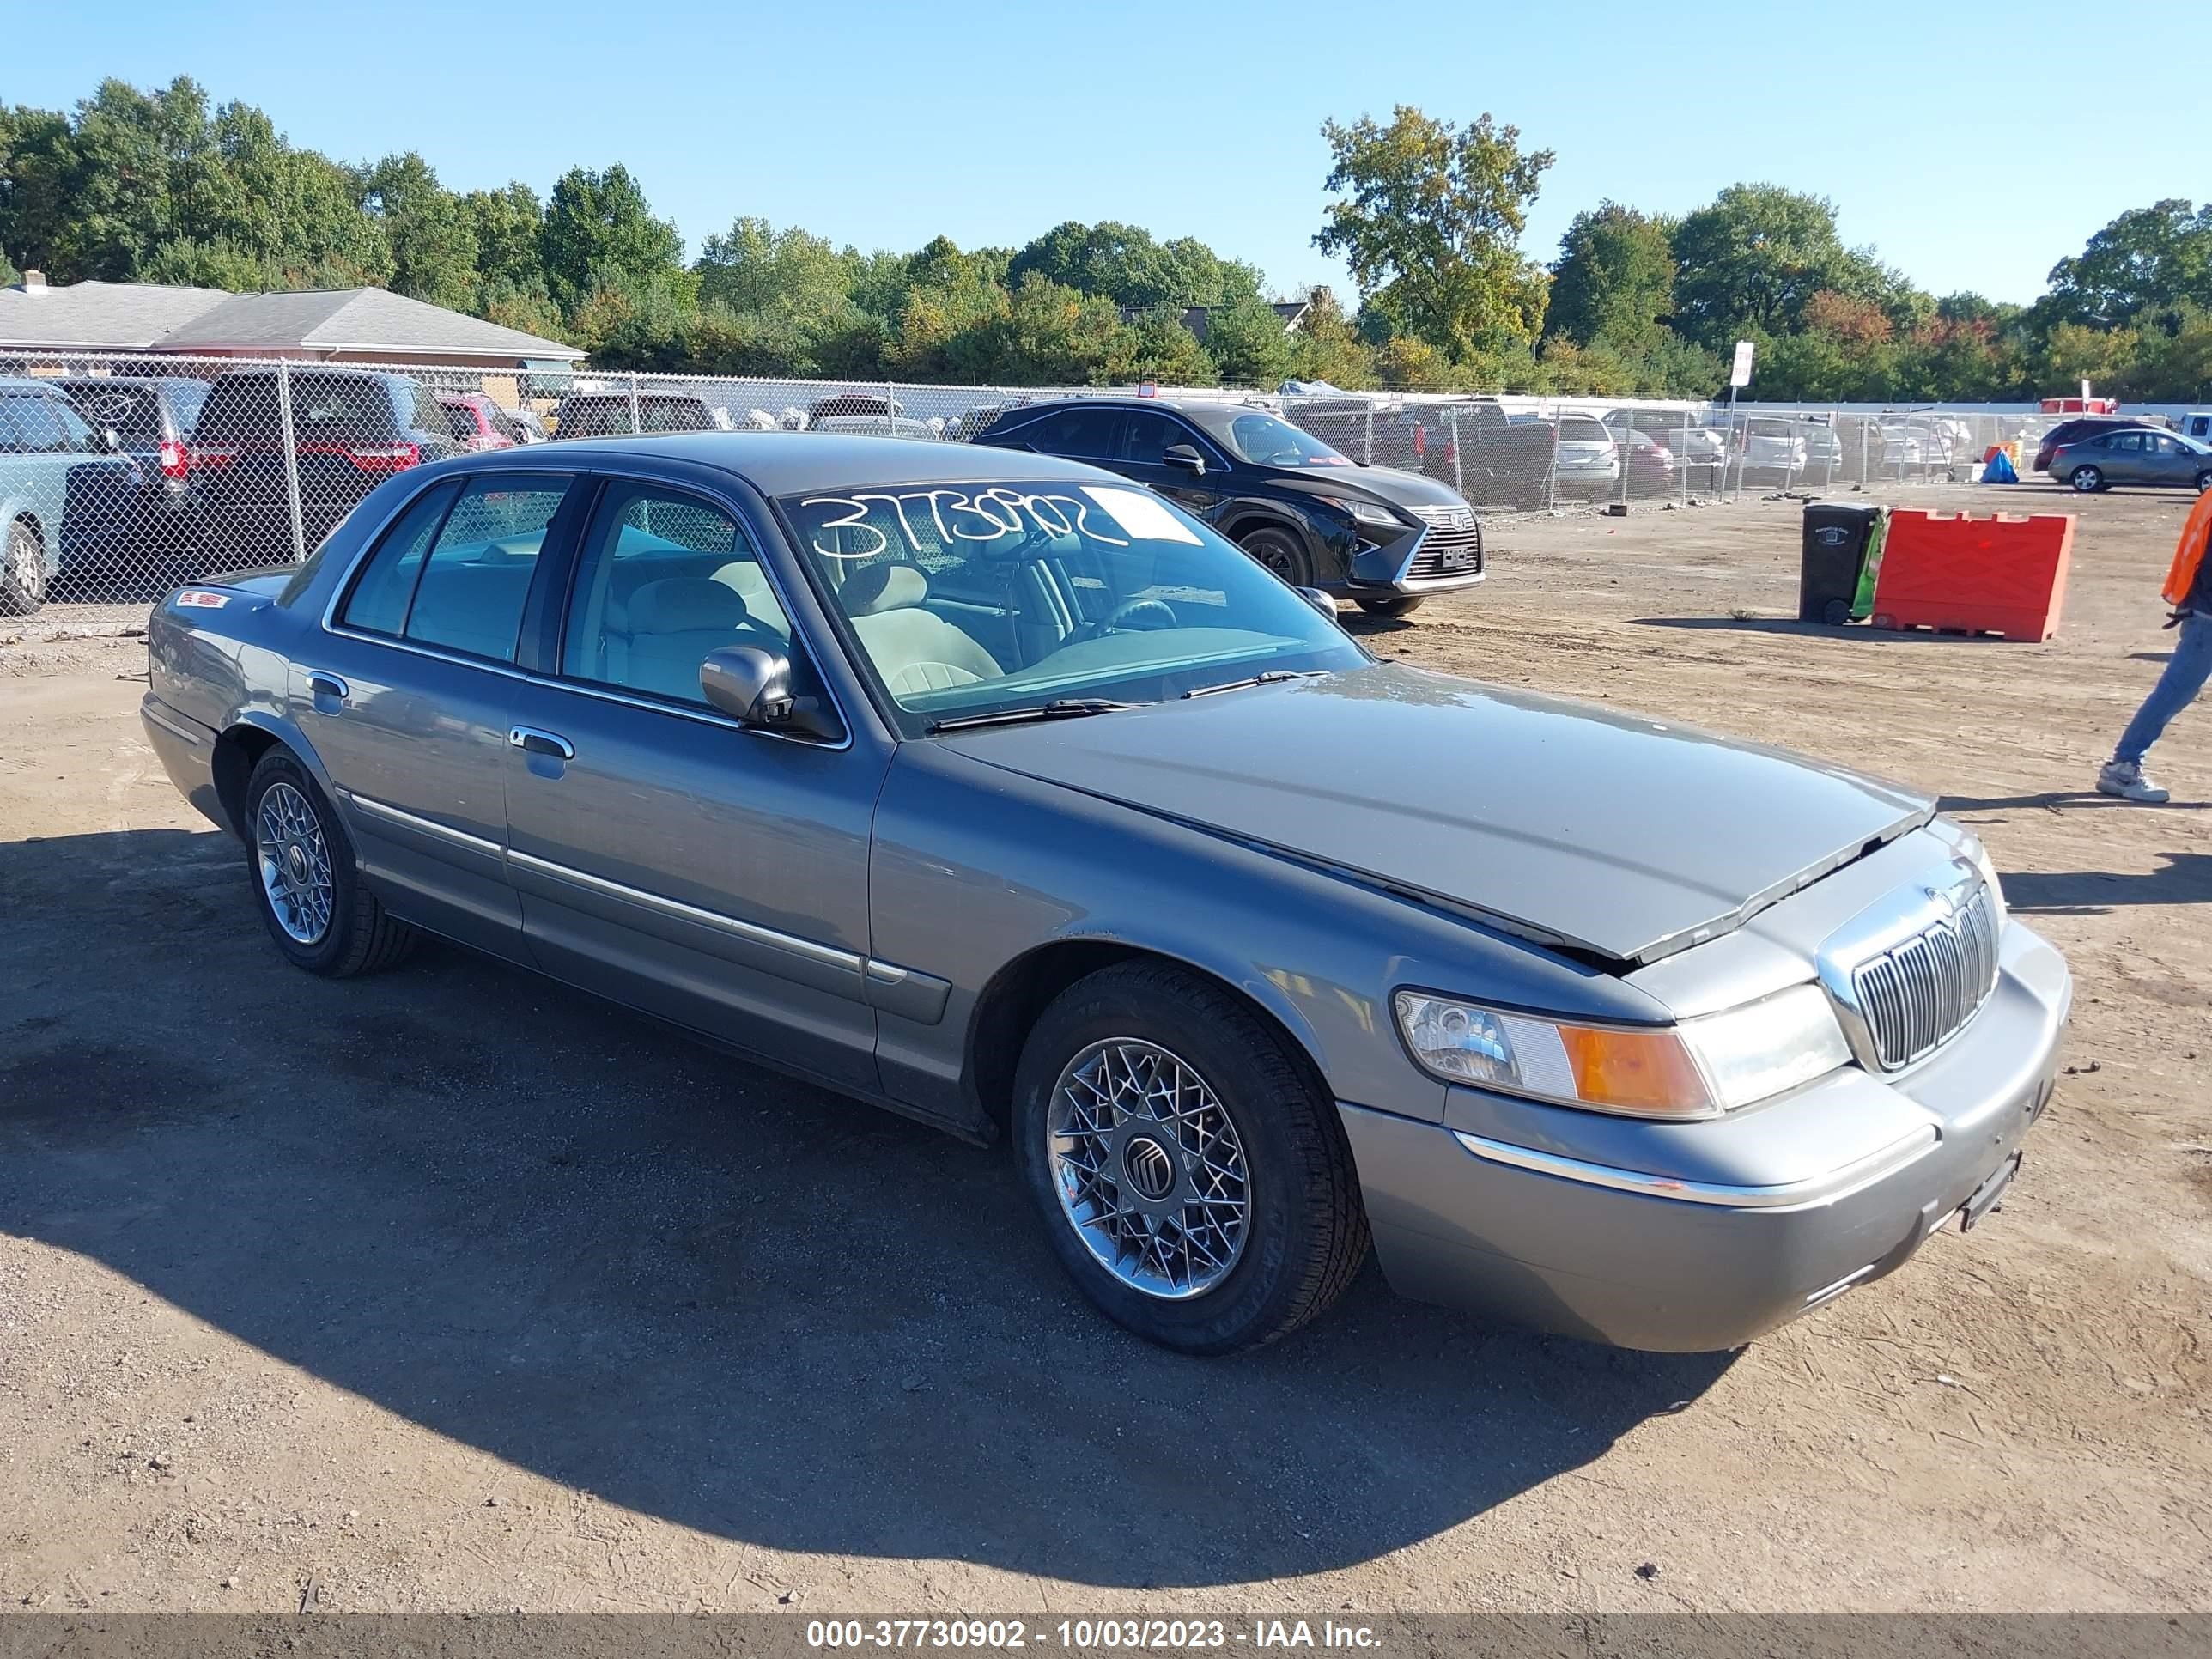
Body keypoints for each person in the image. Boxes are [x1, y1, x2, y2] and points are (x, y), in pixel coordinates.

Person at [2100, 489, 2212, 803]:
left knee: (2176, 691)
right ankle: (2123, 767)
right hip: (2207, 615)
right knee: (2175, 691)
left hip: (2203, 609)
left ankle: (2124, 765)